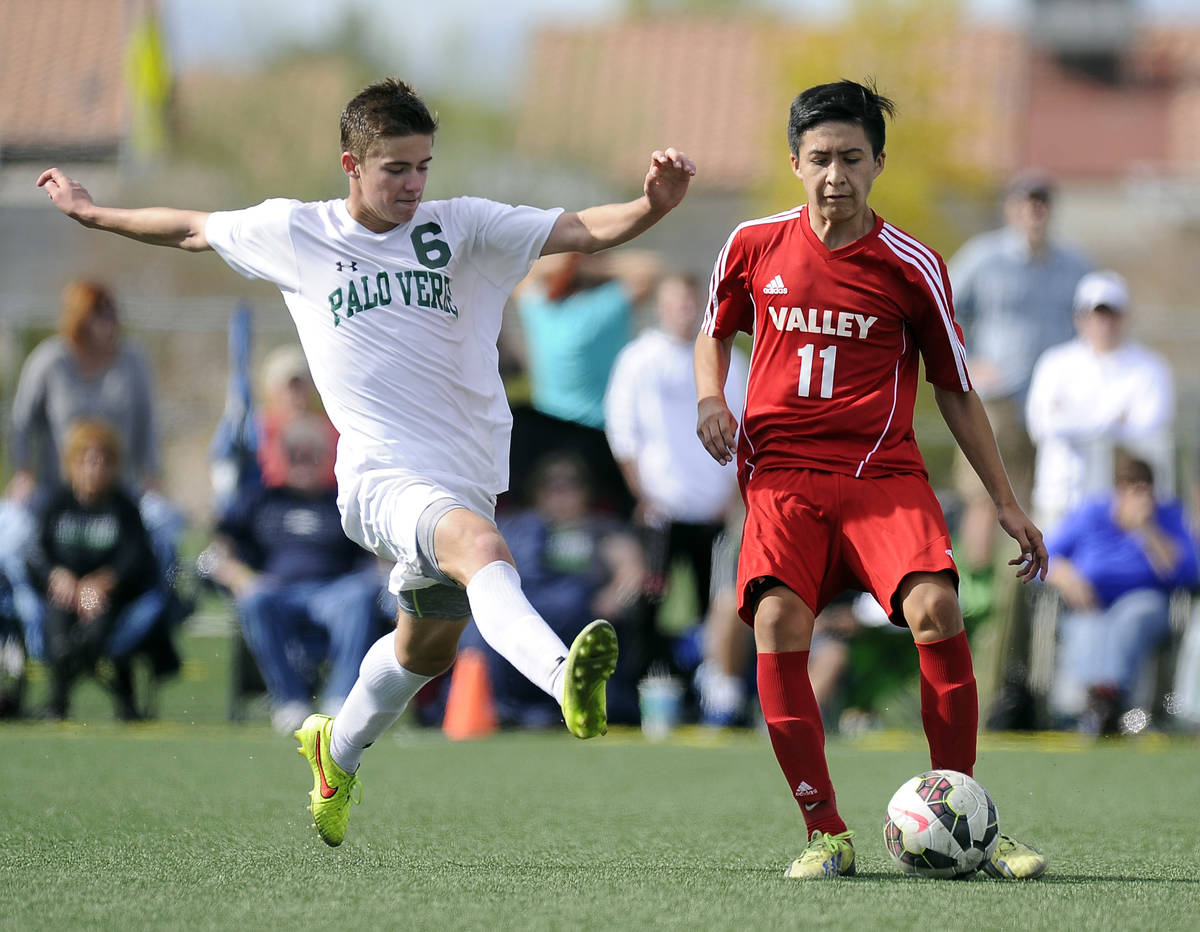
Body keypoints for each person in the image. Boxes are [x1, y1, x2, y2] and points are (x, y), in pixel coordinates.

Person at [38, 77, 694, 847]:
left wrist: (654, 205)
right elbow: (188, 227)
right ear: (352, 163)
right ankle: (562, 680)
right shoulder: (299, 232)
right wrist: (93, 212)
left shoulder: (465, 228)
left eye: (423, 166)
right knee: (483, 550)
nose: (414, 184)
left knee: (423, 651)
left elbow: (583, 230)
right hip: (381, 479)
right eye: (396, 169)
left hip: (464, 478)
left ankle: (335, 754)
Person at [694, 79, 1048, 880]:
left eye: (852, 157)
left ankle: (969, 821)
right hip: (782, 478)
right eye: (819, 158)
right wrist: (712, 397)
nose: (834, 175)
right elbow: (713, 332)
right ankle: (826, 832)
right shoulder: (751, 244)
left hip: (882, 475)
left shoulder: (912, 264)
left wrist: (1005, 502)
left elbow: (955, 388)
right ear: (794, 161)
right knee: (777, 626)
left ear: (877, 162)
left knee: (936, 607)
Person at [1, 280, 185, 686]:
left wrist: (152, 474)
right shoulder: (51, 360)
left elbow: (147, 423)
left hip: (121, 494)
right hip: (57, 492)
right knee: (10, 539)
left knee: (168, 529)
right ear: (81, 318)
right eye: (100, 312)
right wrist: (24, 470)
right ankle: (26, 636)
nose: (110, 321)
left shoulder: (132, 360)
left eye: (112, 311)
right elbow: (21, 421)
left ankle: (157, 632)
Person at [947, 171, 1092, 598]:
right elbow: (941, 312)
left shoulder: (1074, 265)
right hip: (997, 399)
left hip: (1054, 404)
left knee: (1041, 495)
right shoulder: (983, 258)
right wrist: (971, 362)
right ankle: (977, 591)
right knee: (982, 494)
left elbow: (1094, 321)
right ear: (1011, 208)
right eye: (1027, 201)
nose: (1035, 210)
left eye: (1042, 201)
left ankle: (1026, 594)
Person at [604, 271, 748, 683]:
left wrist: (735, 498)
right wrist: (642, 494)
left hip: (713, 510)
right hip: (662, 508)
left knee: (718, 605)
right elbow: (623, 430)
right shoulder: (639, 357)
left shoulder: (727, 359)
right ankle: (638, 685)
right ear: (662, 308)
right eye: (676, 304)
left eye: (691, 304)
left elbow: (744, 427)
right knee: (649, 601)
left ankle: (709, 690)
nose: (685, 313)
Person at [199, 416, 385, 733]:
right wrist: (241, 577)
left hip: (335, 592)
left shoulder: (342, 501)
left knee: (363, 594)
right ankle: (290, 702)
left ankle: (339, 701)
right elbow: (216, 554)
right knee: (254, 598)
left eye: (310, 454)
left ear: (324, 458)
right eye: (294, 453)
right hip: (276, 591)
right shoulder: (259, 500)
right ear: (282, 457)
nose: (303, 462)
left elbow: (376, 557)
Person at [460, 450, 645, 726]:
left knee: (573, 602)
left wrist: (614, 600)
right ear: (536, 490)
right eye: (551, 484)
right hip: (525, 609)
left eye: (571, 483)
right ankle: (498, 707)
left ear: (586, 490)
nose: (561, 492)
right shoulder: (514, 527)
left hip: (579, 614)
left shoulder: (601, 530)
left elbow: (632, 573)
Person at [1043, 452, 1198, 734]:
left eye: (1142, 487)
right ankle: (1091, 705)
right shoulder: (1091, 513)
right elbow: (1045, 555)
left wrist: (1146, 529)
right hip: (1090, 600)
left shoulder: (1168, 516)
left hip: (1146, 599)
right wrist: (1065, 577)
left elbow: (1188, 571)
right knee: (1087, 626)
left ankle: (1110, 700)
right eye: (1128, 486)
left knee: (1131, 618)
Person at [506, 250, 659, 517]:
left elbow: (521, 276)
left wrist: (569, 263)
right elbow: (648, 271)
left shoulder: (550, 307)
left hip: (592, 428)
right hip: (566, 428)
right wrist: (589, 265)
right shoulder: (605, 303)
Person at [24, 420, 160, 720]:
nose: (94, 467)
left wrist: (103, 582)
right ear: (72, 463)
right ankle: (58, 701)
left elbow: (137, 557)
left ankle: (113, 697)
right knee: (58, 627)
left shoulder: (124, 508)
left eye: (102, 460)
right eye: (86, 459)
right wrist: (56, 575)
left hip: (107, 599)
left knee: (95, 630)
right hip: (62, 594)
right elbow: (35, 552)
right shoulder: (56, 503)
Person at [1026, 270, 1175, 534]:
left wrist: (1072, 416)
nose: (1104, 322)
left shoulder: (1151, 368)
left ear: (1125, 316)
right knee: (1053, 571)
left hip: (1127, 507)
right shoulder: (1055, 363)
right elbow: (1042, 425)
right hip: (1061, 497)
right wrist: (1114, 417)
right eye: (1096, 313)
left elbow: (1147, 426)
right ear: (1080, 317)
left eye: (1112, 313)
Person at [256, 344, 339, 492]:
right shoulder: (257, 429)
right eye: (289, 387)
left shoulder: (330, 428)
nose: (295, 394)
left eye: (300, 385)